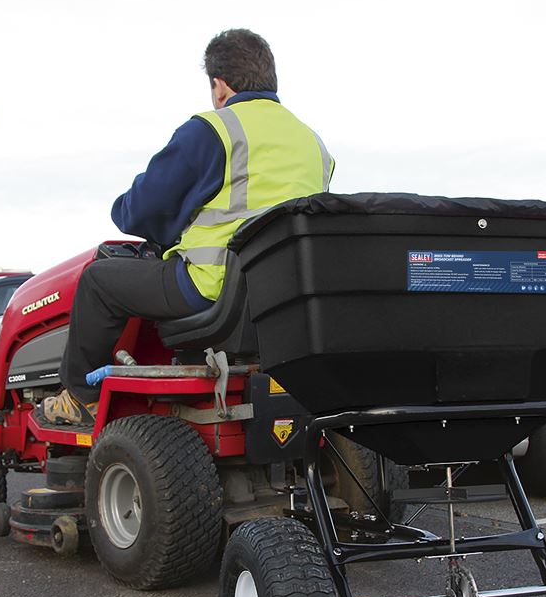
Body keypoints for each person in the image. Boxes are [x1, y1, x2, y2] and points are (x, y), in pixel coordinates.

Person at [45, 28, 335, 429]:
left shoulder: (214, 130)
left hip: (208, 286)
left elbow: (144, 211)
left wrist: (127, 210)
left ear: (219, 86)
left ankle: (80, 397)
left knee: (98, 282)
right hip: (279, 298)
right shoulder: (313, 144)